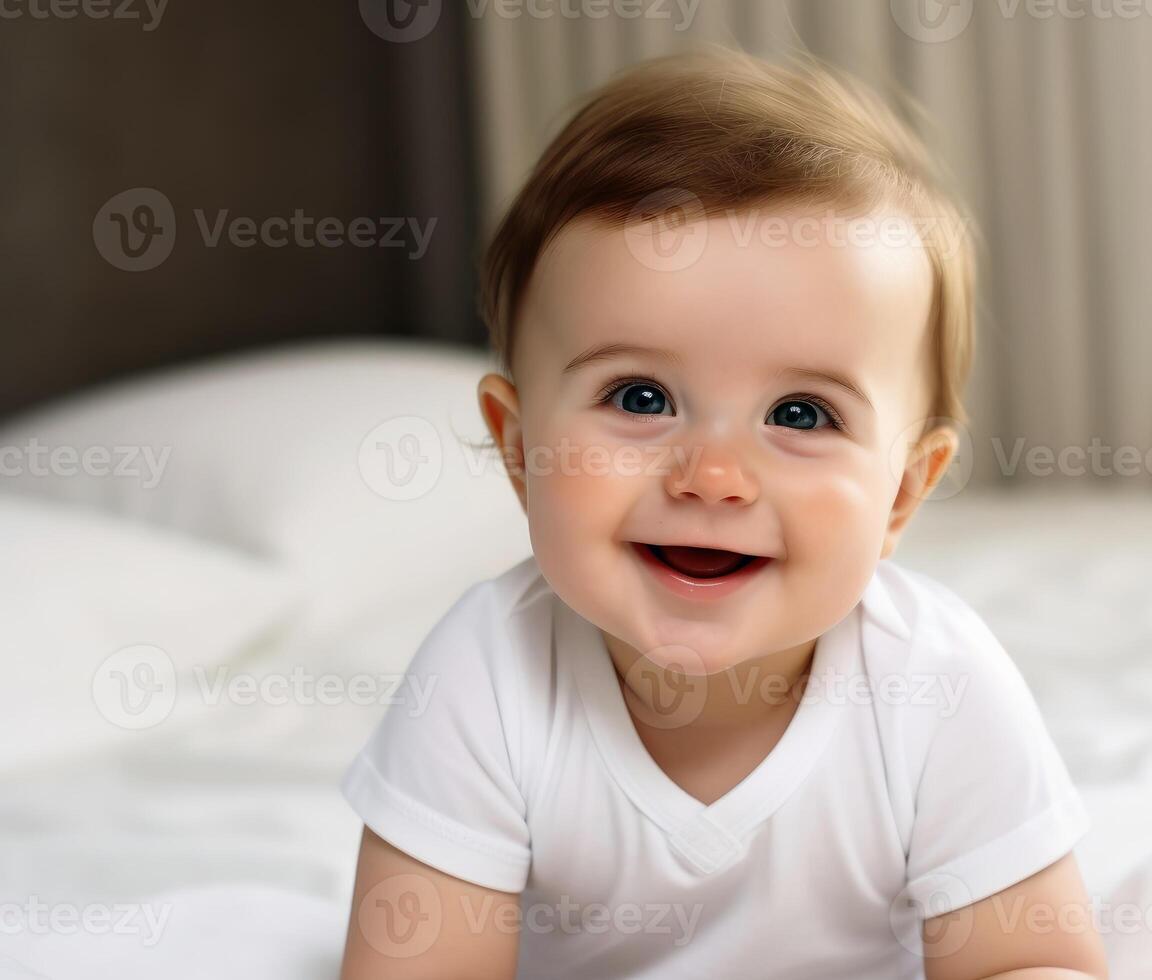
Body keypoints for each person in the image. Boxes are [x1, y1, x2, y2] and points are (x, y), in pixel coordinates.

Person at [339, 45, 1107, 980]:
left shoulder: (936, 684)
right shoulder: (484, 678)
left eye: (800, 414)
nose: (713, 476)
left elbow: (1030, 965)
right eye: (640, 397)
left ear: (904, 490)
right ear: (518, 449)